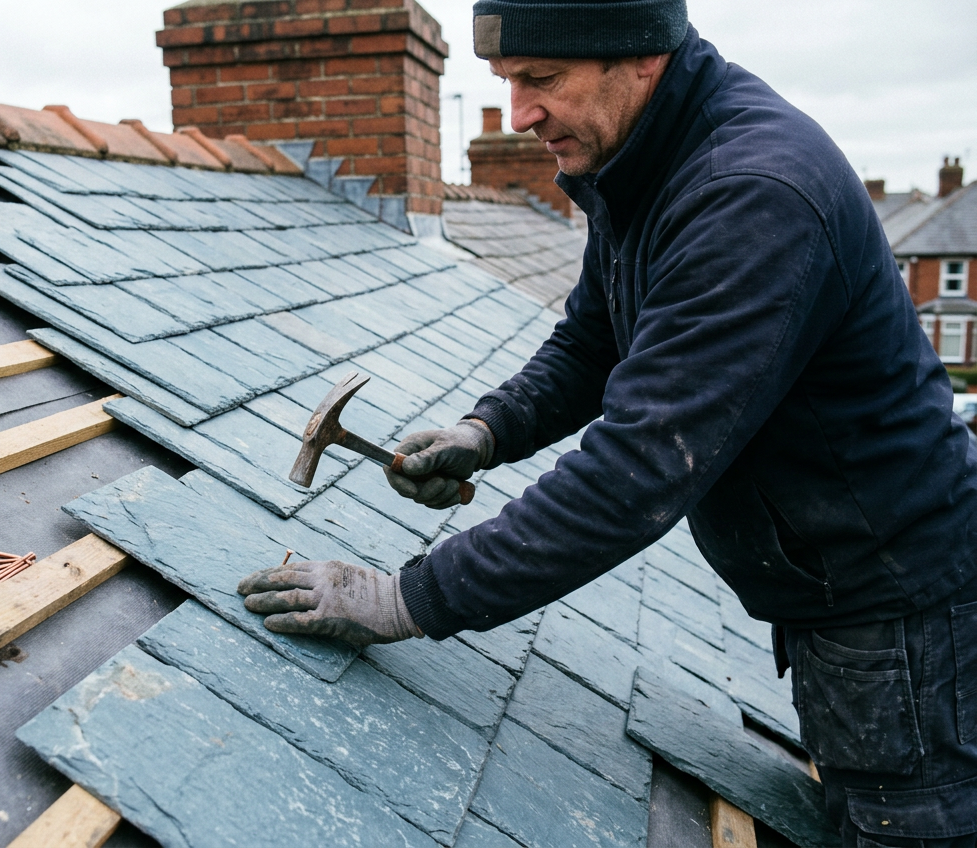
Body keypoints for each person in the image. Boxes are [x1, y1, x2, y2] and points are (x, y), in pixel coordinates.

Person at [237, 0, 977, 842]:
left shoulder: (751, 195)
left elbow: (635, 471)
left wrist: (406, 598)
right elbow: (597, 338)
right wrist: (489, 430)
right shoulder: (644, 159)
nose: (519, 115)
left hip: (909, 624)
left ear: (641, 59)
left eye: (541, 80)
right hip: (836, 601)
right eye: (506, 83)